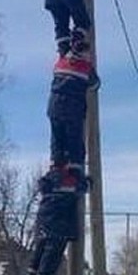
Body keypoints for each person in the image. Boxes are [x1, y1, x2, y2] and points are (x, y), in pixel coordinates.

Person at [47, 48, 99, 192]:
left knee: (57, 139)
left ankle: (57, 170)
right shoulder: (85, 67)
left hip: (54, 108)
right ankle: (75, 172)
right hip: (73, 111)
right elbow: (95, 84)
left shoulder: (60, 63)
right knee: (74, 141)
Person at [23, 179, 80, 275]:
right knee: (51, 256)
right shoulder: (68, 178)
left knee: (39, 253)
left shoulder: (48, 181)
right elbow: (80, 187)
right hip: (60, 225)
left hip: (43, 223)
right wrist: (85, 182)